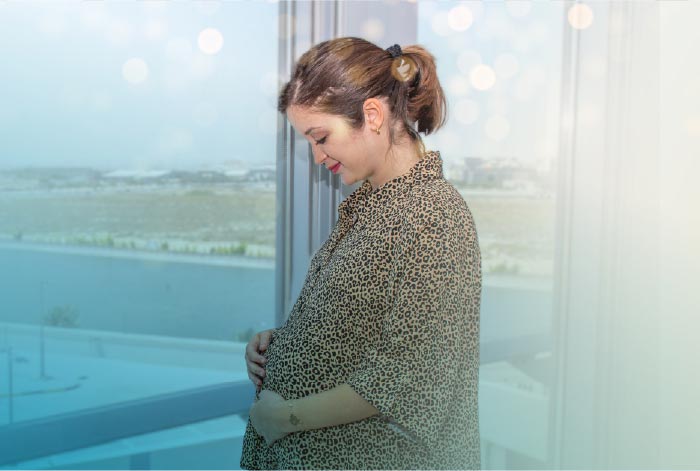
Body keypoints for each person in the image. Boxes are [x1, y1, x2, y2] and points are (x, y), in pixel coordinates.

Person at [240, 37, 481, 470]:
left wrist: (283, 417)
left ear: (372, 115)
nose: (317, 157)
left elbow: (408, 379)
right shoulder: (375, 205)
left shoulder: (433, 215)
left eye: (320, 137)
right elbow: (370, 329)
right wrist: (286, 342)